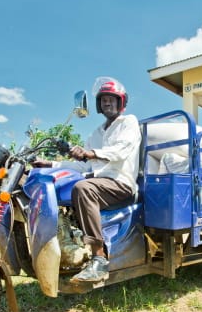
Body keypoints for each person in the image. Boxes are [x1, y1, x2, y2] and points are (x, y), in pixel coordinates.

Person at [33, 77, 141, 282]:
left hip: (121, 183)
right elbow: (83, 166)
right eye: (103, 100)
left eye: (112, 99)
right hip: (98, 181)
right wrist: (50, 165)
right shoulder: (96, 133)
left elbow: (120, 151)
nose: (107, 102)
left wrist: (90, 153)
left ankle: (99, 259)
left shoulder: (129, 123)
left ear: (121, 102)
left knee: (83, 188)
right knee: (65, 184)